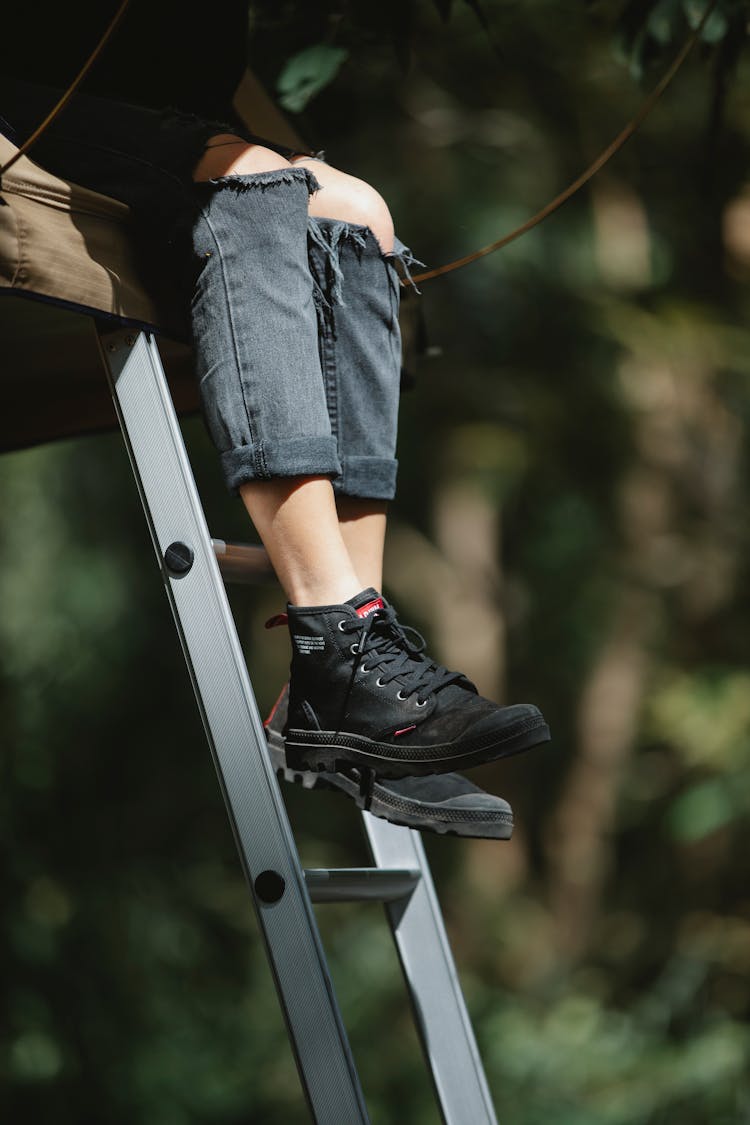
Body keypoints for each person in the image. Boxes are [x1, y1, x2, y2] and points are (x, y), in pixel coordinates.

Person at [2, 0, 550, 838]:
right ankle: (336, 643)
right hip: (41, 104)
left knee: (359, 217)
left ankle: (351, 658)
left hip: (180, 121)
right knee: (253, 185)